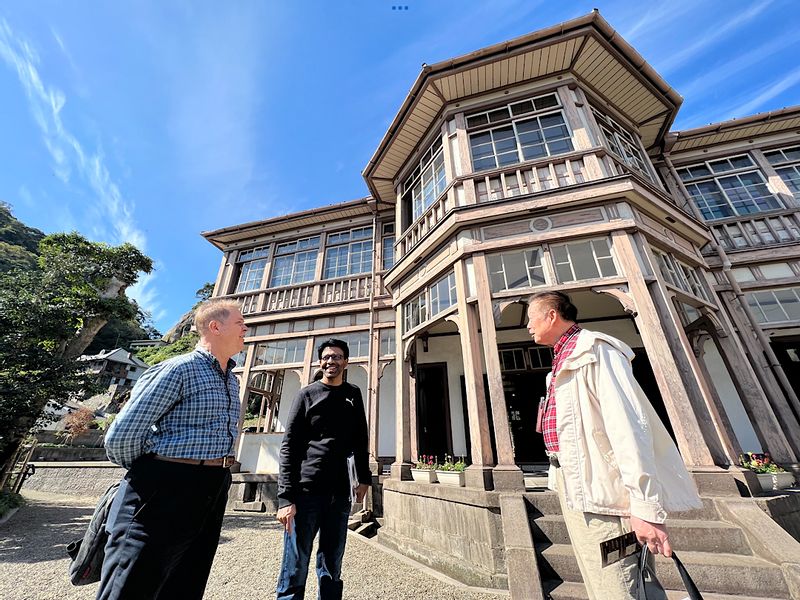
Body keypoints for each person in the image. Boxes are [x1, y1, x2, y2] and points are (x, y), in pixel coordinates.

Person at [527, 291, 702, 600]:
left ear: (552, 316)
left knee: (618, 583)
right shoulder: (560, 362)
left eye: (531, 318)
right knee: (599, 577)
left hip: (607, 493)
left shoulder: (596, 352)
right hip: (576, 487)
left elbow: (627, 427)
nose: (528, 326)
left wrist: (645, 505)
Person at [97, 298, 247, 600]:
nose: (246, 328)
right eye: (240, 322)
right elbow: (121, 437)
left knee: (187, 580)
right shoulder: (177, 369)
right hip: (165, 485)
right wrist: (155, 470)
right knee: (134, 582)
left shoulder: (231, 379)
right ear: (215, 327)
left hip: (214, 486)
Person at [275, 338, 371, 600]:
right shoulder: (307, 394)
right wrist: (285, 498)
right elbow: (290, 446)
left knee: (332, 561)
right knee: (295, 562)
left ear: (346, 362)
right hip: (306, 490)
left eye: (338, 357)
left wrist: (364, 478)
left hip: (339, 492)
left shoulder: (353, 394)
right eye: (327, 357)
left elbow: (360, 438)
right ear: (321, 362)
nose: (332, 362)